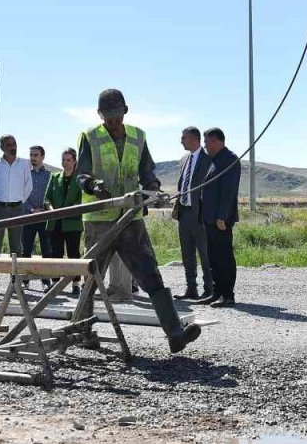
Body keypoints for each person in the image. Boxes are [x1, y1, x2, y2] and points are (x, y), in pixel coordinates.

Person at [75, 88, 201, 353]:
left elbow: (147, 171)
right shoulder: (89, 137)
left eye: (116, 117)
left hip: (130, 218)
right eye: (107, 117)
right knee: (91, 277)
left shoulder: (138, 137)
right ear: (99, 114)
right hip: (99, 219)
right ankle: (82, 332)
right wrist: (93, 185)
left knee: (150, 273)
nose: (112, 122)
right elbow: (81, 174)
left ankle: (175, 333)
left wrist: (153, 187)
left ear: (125, 111)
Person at [196, 128, 241, 308]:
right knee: (213, 256)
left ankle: (228, 295)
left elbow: (229, 192)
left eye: (207, 142)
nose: (205, 146)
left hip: (220, 219)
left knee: (224, 256)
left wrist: (222, 216)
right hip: (209, 218)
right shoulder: (214, 160)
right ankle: (216, 292)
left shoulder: (230, 159)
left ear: (216, 141)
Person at [0, 134, 31, 294]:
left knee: (16, 248)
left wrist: (19, 200)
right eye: (9, 144)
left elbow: (28, 185)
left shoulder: (23, 163)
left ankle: (15, 285)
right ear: (2, 147)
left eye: (14, 144)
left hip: (17, 209)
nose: (13, 147)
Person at [172, 126, 213, 300]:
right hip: (184, 213)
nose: (181, 141)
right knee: (187, 252)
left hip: (200, 215)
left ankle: (210, 289)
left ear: (195, 139)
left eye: (184, 138)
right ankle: (191, 288)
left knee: (205, 252)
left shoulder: (208, 160)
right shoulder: (183, 160)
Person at [45, 147, 84, 295]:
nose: (65, 163)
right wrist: (51, 210)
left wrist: (69, 210)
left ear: (74, 161)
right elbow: (46, 198)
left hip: (73, 222)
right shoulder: (54, 177)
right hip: (55, 221)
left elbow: (81, 200)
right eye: (63, 160)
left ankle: (75, 283)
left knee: (73, 253)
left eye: (68, 160)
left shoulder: (80, 178)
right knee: (56, 253)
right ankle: (55, 283)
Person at [22, 145, 53, 288]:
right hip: (28, 216)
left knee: (46, 250)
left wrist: (44, 209)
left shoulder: (49, 176)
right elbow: (21, 195)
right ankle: (25, 281)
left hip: (44, 217)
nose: (33, 158)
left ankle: (46, 281)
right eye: (31, 155)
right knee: (25, 249)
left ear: (42, 157)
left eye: (36, 155)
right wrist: (31, 209)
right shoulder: (25, 174)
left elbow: (51, 196)